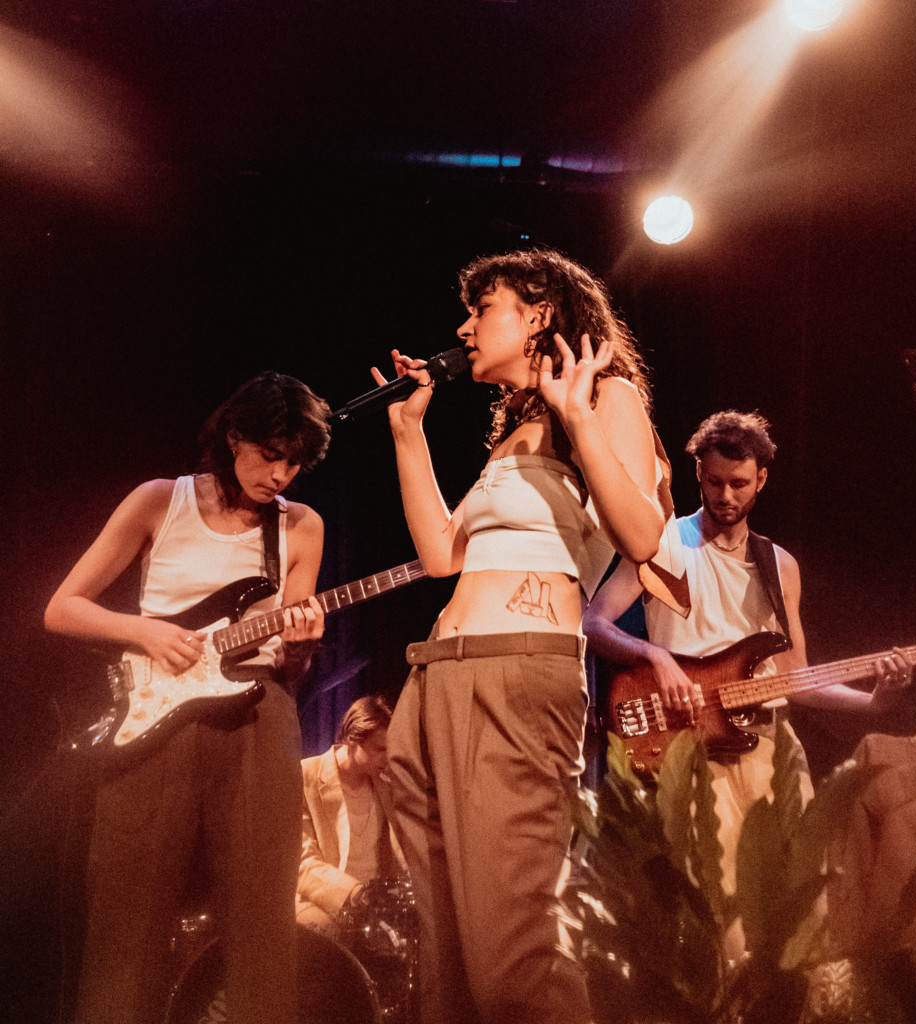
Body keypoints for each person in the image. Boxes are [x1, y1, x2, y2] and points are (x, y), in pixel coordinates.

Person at [370, 249, 667, 1024]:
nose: (464, 328)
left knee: (515, 962)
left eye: (482, 309)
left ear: (538, 315)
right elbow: (442, 554)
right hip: (437, 675)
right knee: (446, 967)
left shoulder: (606, 397)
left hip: (516, 675)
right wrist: (408, 433)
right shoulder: (512, 435)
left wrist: (579, 416)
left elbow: (642, 534)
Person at [44, 371, 331, 1024]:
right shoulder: (158, 500)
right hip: (155, 718)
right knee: (128, 917)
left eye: (294, 463)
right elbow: (62, 608)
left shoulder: (302, 526)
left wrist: (304, 646)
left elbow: (291, 665)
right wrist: (144, 631)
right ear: (234, 437)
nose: (280, 475)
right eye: (270, 454)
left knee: (262, 917)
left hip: (259, 710)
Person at [582, 409, 911, 955]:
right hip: (694, 745)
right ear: (699, 474)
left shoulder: (779, 565)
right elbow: (594, 623)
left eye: (739, 483)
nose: (726, 495)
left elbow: (796, 678)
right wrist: (656, 657)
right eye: (714, 482)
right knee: (723, 917)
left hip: (771, 746)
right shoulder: (663, 544)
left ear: (761, 479)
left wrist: (873, 703)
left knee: (802, 903)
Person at [295, 693, 404, 928]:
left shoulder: (387, 783)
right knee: (329, 933)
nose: (388, 758)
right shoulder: (304, 776)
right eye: (380, 749)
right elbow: (301, 861)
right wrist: (355, 894)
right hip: (324, 901)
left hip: (380, 900)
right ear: (353, 739)